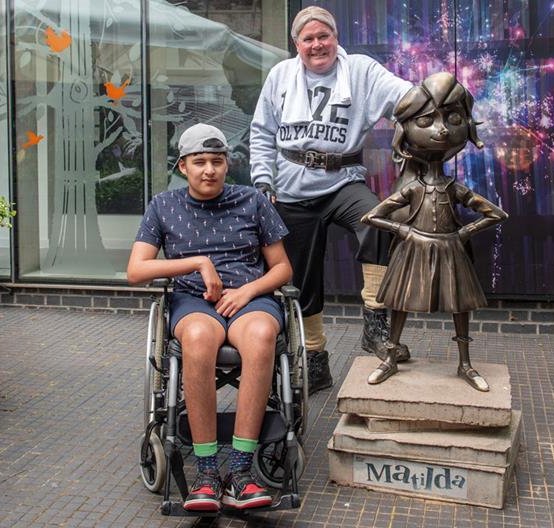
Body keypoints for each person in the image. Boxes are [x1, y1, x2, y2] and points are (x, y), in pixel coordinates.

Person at [127, 124, 292, 512]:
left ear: (227, 165)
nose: (209, 170)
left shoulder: (252, 200)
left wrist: (249, 291)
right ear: (183, 166)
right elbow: (136, 270)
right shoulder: (163, 205)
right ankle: (205, 473)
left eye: (217, 162)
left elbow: (283, 268)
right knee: (198, 337)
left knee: (263, 334)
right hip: (194, 301)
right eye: (199, 162)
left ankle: (239, 471)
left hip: (248, 299)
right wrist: (199, 262)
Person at [249, 6, 413, 394]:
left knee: (377, 221)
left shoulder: (360, 70)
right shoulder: (280, 76)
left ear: (336, 38)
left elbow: (406, 96)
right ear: (297, 44)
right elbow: (261, 132)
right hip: (291, 190)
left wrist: (440, 98)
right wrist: (262, 181)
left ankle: (375, 323)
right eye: (308, 38)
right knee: (303, 279)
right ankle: (316, 360)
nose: (317, 44)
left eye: (324, 36)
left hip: (343, 182)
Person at [360, 72, 508, 391]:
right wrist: (405, 230)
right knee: (400, 299)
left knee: (459, 302)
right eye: (428, 121)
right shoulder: (413, 186)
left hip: (449, 248)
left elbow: (495, 213)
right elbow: (373, 215)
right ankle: (390, 356)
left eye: (452, 119)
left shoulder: (452, 186)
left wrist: (463, 233)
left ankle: (465, 363)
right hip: (415, 247)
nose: (441, 131)